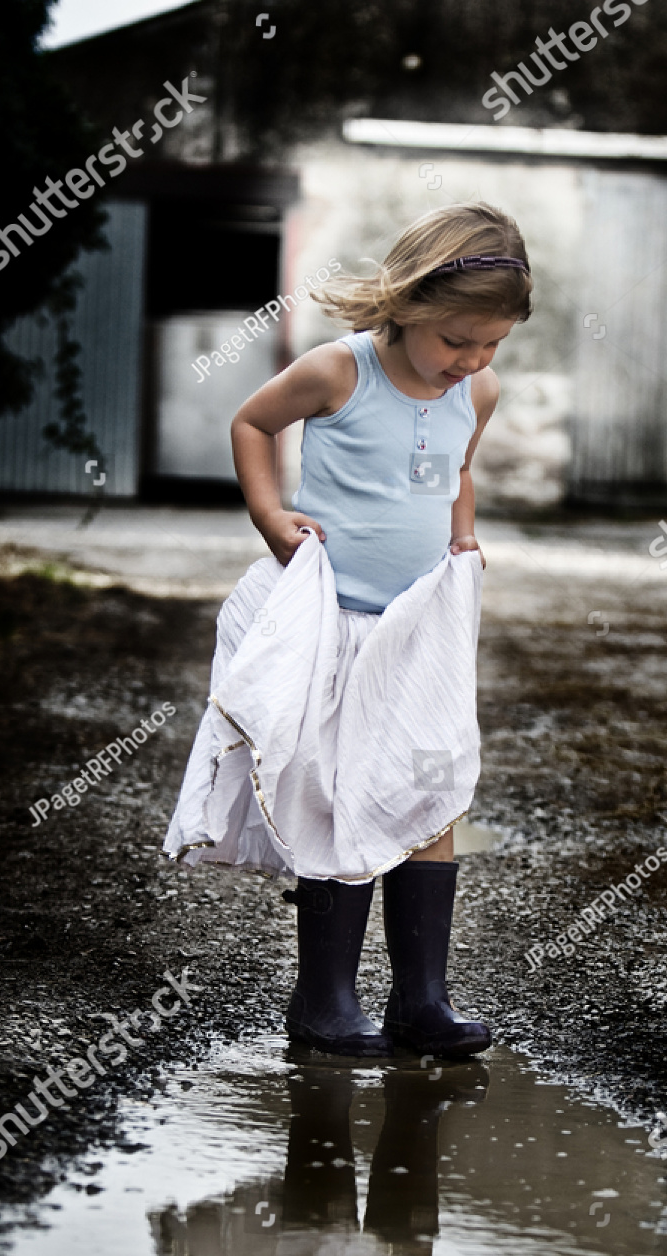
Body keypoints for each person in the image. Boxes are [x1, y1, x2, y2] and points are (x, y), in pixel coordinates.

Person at [163, 203, 532, 1058]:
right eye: (457, 341)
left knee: (427, 791)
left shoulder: (475, 389)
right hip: (331, 618)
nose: (472, 361)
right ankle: (323, 1001)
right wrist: (269, 514)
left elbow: (457, 470)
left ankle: (421, 1003)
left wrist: (463, 538)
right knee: (330, 790)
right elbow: (251, 423)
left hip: (418, 627)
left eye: (491, 344)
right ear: (407, 306)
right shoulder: (337, 371)